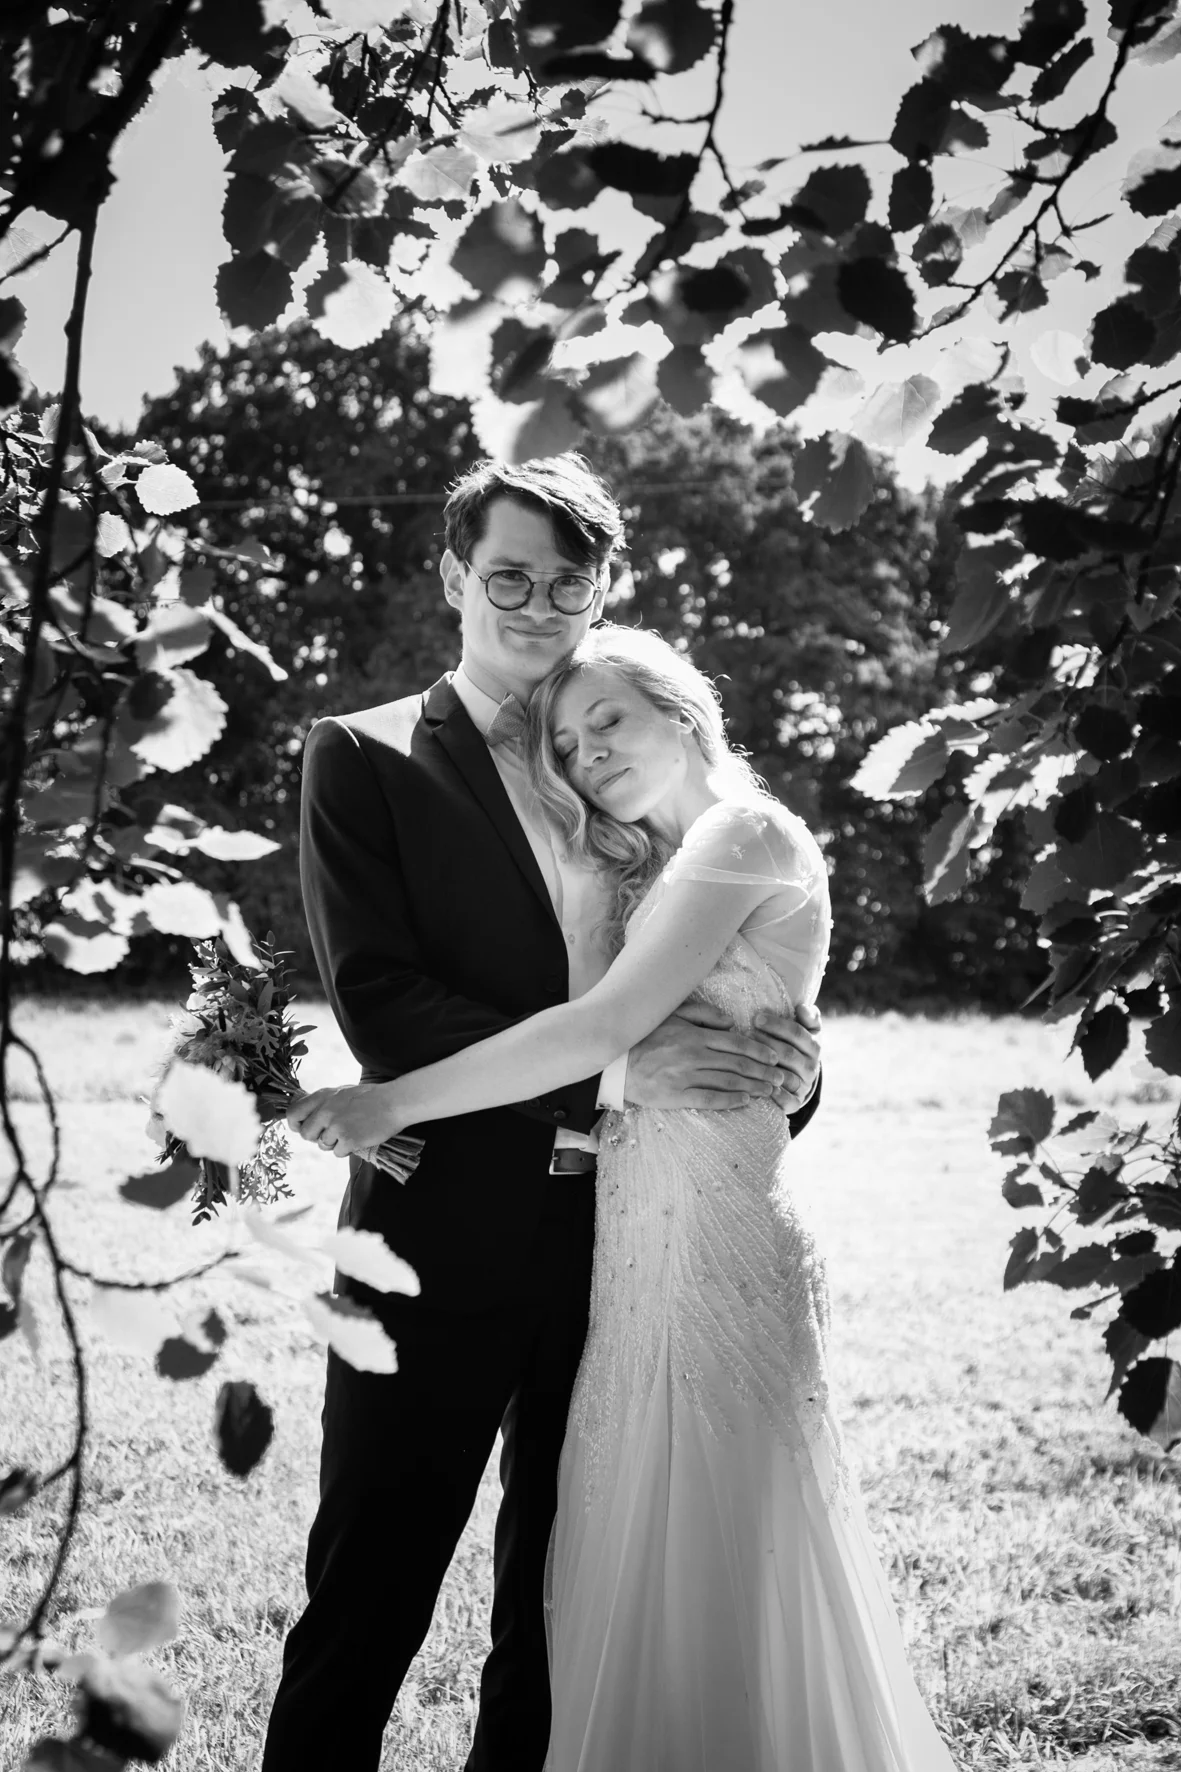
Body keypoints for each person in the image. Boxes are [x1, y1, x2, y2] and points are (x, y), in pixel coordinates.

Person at [293, 623, 958, 1771]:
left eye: (607, 719)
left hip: (697, 1236)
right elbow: (609, 1016)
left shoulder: (742, 831)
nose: (586, 750)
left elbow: (606, 1024)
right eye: (566, 742)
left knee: (691, 1548)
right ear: (457, 584)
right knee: (586, 1554)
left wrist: (387, 1102)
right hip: (600, 1234)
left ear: (683, 709)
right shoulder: (647, 848)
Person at [261, 454, 823, 1772]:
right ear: (452, 576)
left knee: (566, 1607)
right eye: (505, 577)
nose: (534, 606)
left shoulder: (625, 753)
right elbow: (385, 1003)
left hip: (630, 1239)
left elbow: (731, 951)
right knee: (369, 1588)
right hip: (437, 1230)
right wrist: (618, 1075)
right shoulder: (364, 753)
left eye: (565, 583)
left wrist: (786, 1062)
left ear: (603, 588)